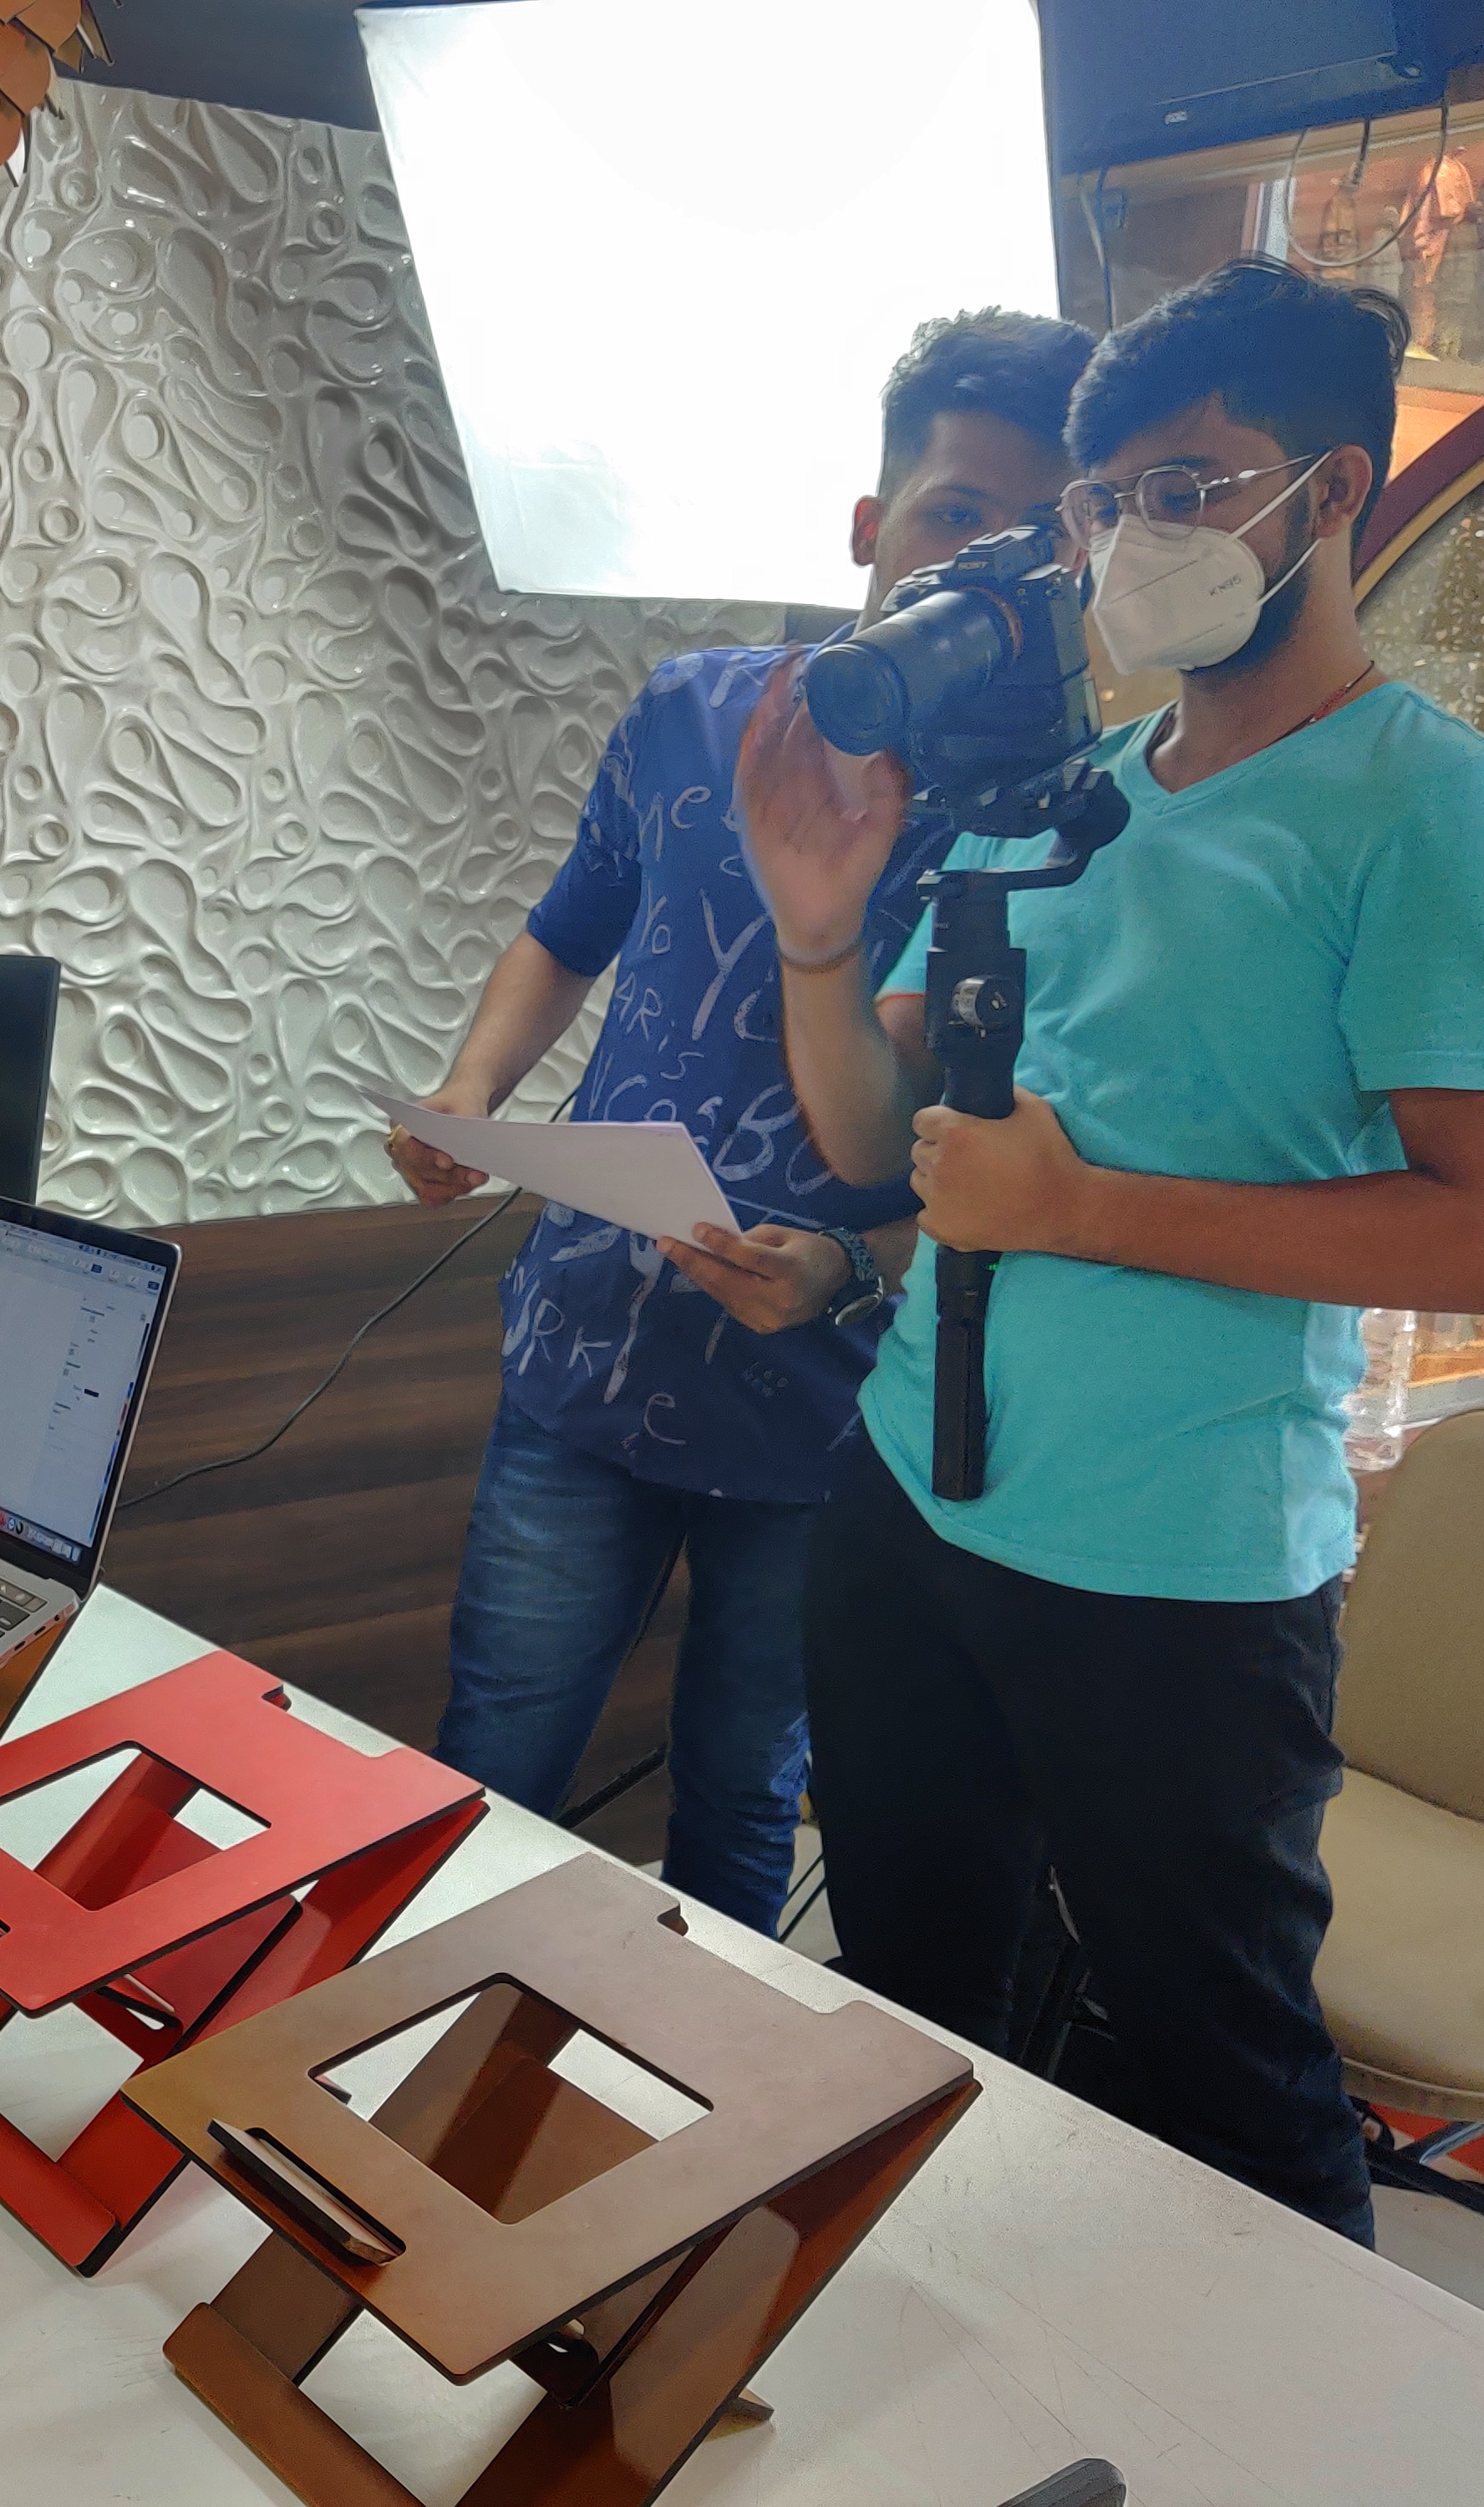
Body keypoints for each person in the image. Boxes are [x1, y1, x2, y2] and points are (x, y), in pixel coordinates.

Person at [737, 257, 1484, 2243]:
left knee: (1221, 2077)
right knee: (904, 2005)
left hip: (1178, 1572)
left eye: (1188, 487)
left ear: (1329, 490)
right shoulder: (1070, 798)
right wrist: (814, 930)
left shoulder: (1431, 813)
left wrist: (1079, 1210)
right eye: (1106, 499)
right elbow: (875, 1147)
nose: (1137, 538)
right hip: (911, 1507)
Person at [388, 309, 1090, 1935]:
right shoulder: (688, 711)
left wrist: (845, 1267)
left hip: (830, 1403)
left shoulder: (1048, 817)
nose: (993, 569)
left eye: (1041, 538)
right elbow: (566, 927)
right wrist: (471, 1091)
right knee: (488, 1766)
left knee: (739, 1801)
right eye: (954, 516)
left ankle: (695, 2088)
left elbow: (1012, 1155)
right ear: (865, 526)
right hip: (588, 1342)